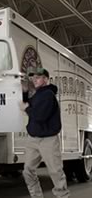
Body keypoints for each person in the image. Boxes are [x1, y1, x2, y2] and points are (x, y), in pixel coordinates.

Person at [20, 68, 70, 198]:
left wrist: (27, 109)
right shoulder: (38, 95)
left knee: (55, 172)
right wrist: (25, 92)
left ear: (46, 79)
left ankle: (62, 196)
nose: (34, 80)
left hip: (48, 140)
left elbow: (40, 115)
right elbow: (28, 103)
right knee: (28, 171)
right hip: (34, 139)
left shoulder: (48, 95)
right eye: (33, 78)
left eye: (38, 77)